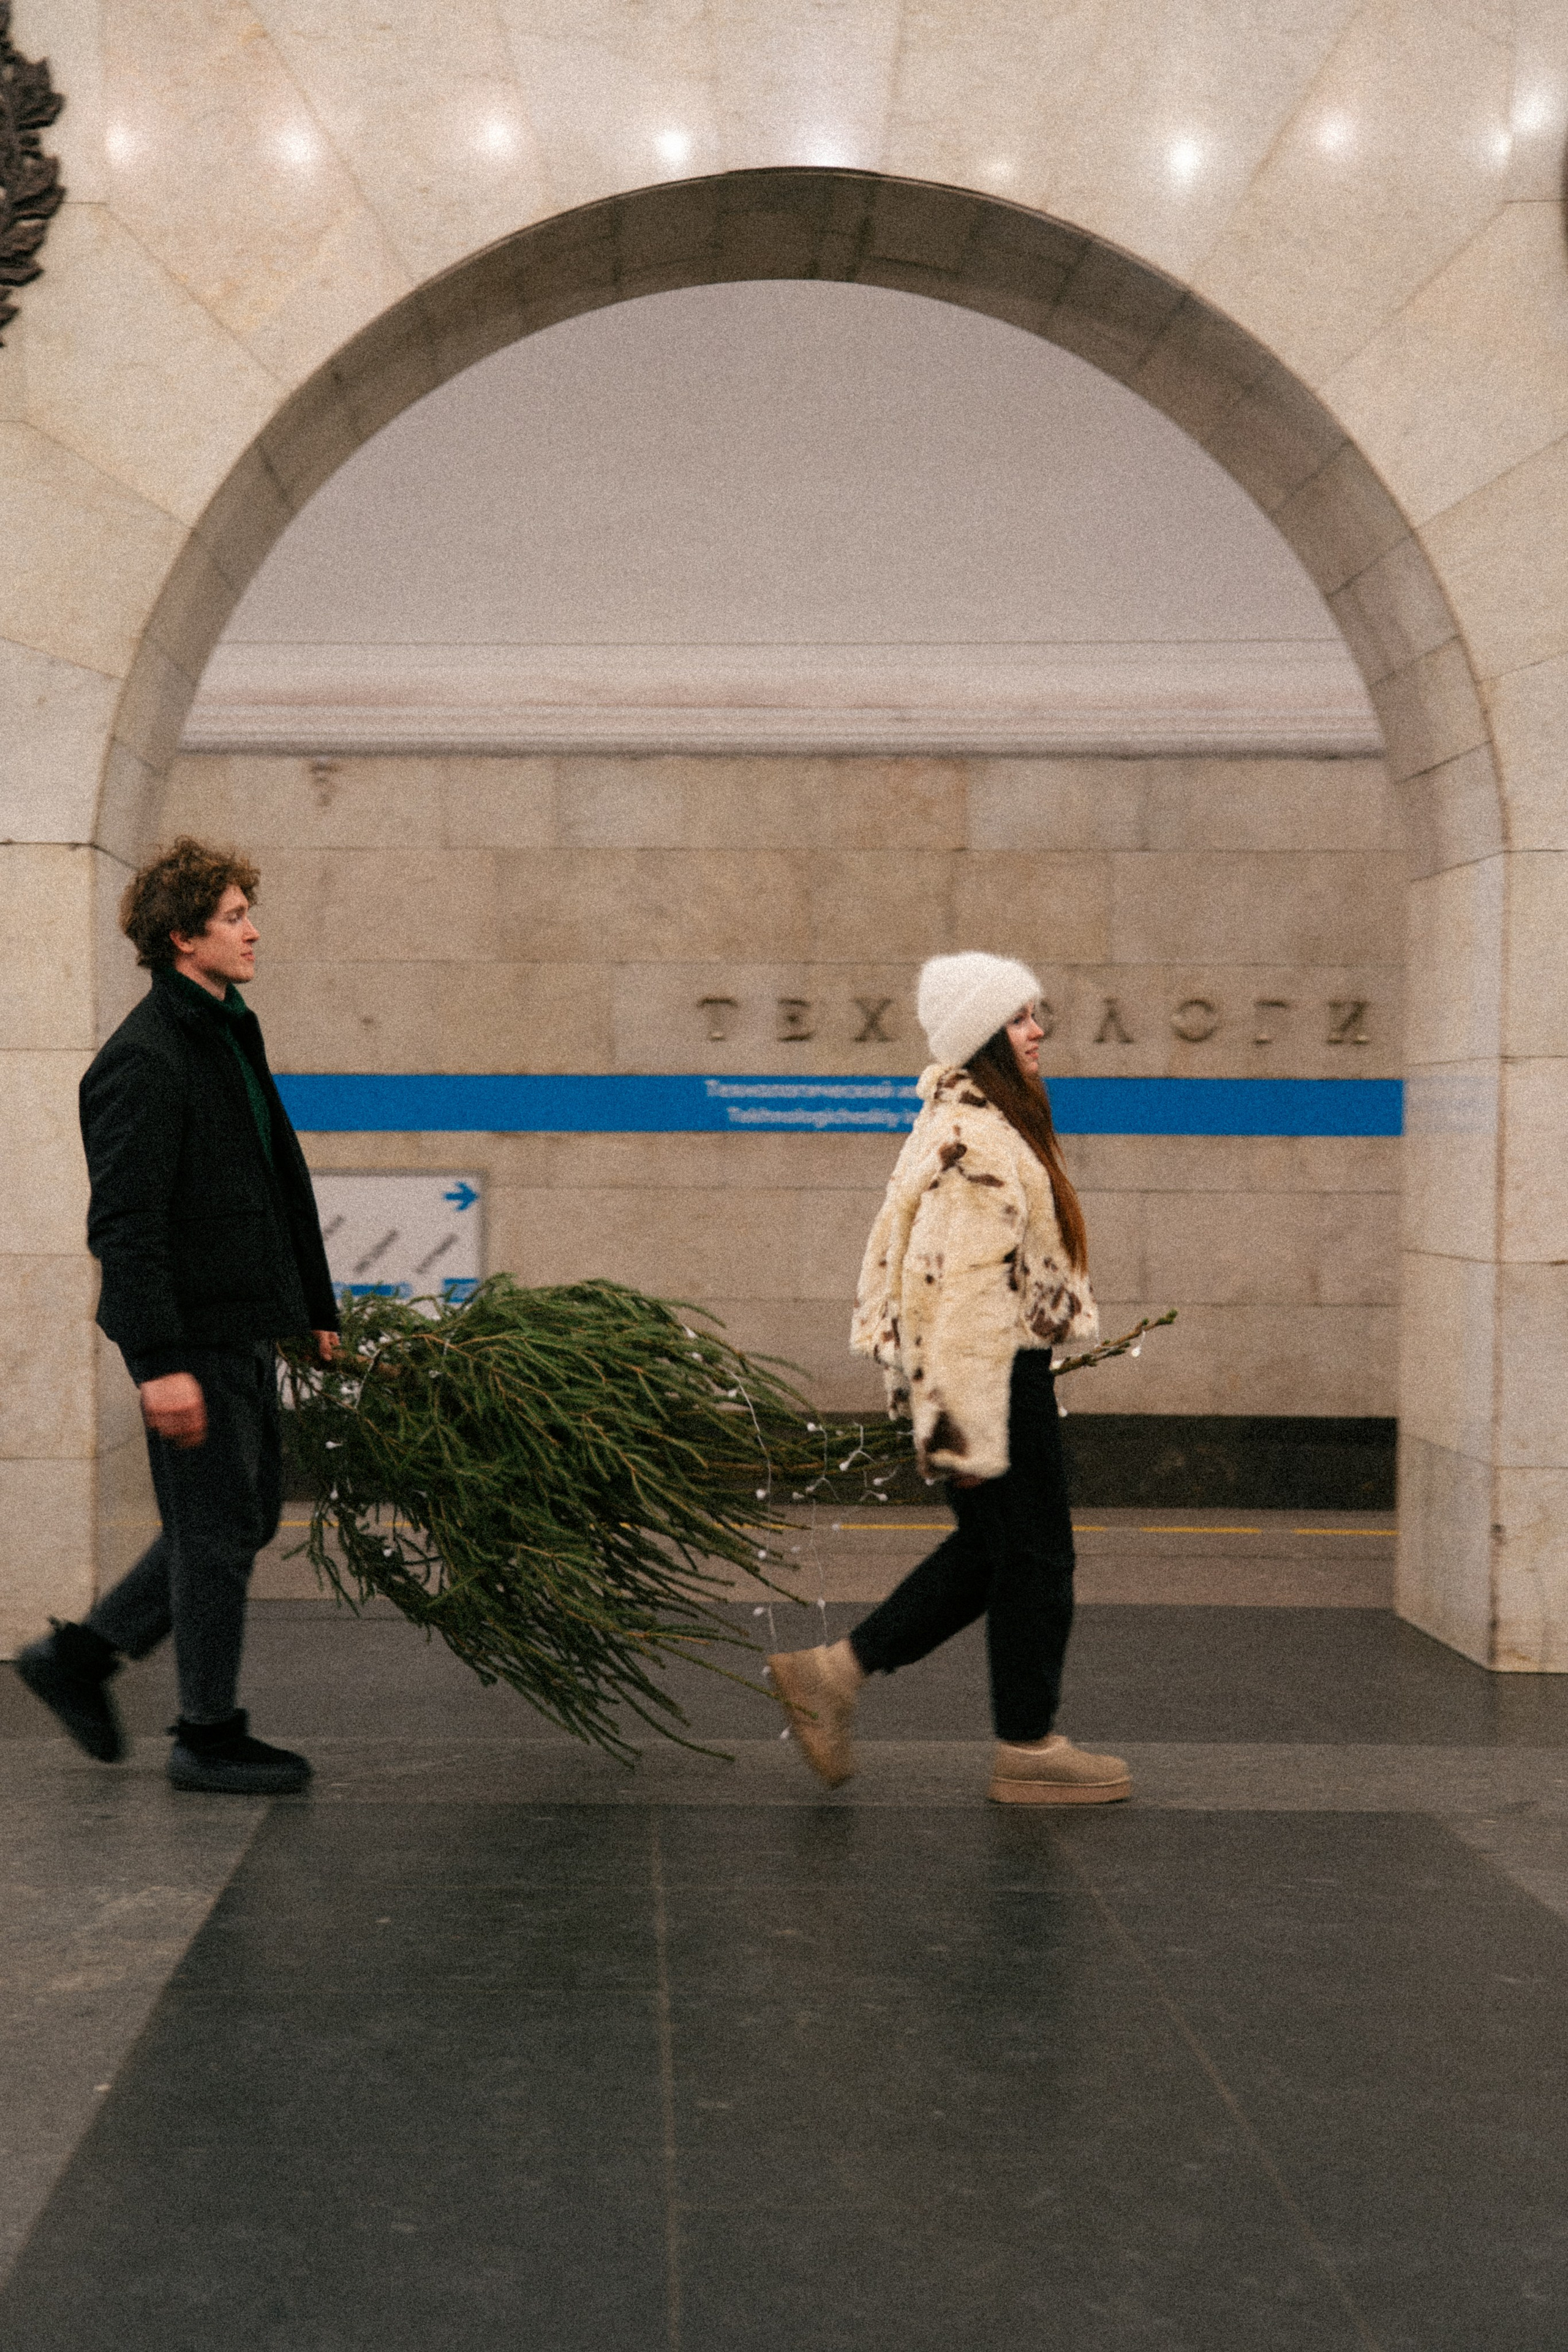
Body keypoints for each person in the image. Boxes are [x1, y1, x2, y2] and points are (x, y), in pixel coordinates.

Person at [16, 839, 339, 1795]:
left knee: (235, 1520)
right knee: (210, 1534)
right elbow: (124, 1224)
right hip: (189, 1334)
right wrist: (157, 1361)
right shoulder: (144, 1059)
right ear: (180, 935)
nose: (253, 931)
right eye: (234, 917)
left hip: (239, 1322)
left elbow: (278, 1176)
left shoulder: (227, 1028)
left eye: (248, 913)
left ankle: (78, 1660)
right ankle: (207, 1732)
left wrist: (311, 1304)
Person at [769, 951, 1131, 1805]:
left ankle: (834, 1677)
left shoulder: (973, 1122)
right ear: (983, 1037)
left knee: (997, 1553)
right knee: (1035, 1557)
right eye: (1018, 1019)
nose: (1038, 1030)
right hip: (990, 1377)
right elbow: (960, 1291)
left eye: (1035, 1015)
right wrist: (967, 1427)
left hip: (992, 1373)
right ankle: (1028, 1746)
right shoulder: (975, 1140)